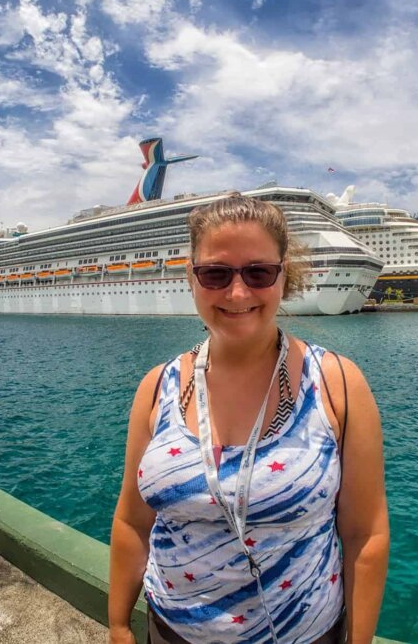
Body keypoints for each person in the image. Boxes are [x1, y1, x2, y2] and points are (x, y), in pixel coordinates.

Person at [108, 194, 390, 644]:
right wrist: (120, 625)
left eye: (258, 272)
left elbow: (364, 536)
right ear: (192, 278)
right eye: (215, 274)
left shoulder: (338, 383)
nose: (237, 293)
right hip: (168, 632)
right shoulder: (157, 386)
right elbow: (132, 521)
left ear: (284, 276)